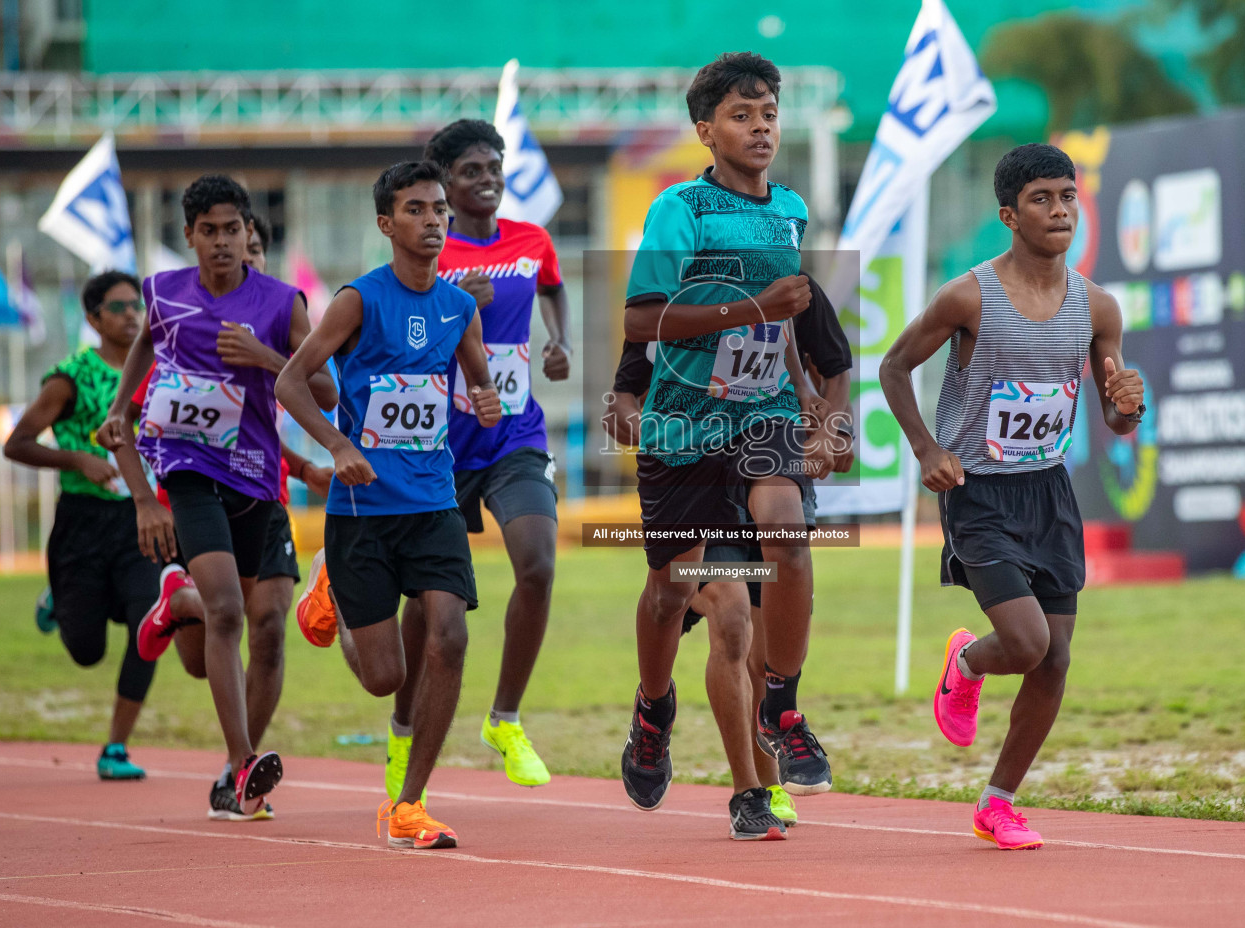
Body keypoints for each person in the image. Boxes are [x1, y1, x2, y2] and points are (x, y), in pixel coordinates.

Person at [879, 143, 1145, 851]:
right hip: (979, 492)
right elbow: (895, 366)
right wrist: (927, 450)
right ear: (1009, 214)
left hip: (1048, 492)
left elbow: (1114, 417)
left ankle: (997, 803)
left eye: (1067, 196)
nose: (1059, 210)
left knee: (1055, 657)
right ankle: (966, 663)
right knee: (1025, 644)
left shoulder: (1098, 306)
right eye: (1041, 199)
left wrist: (1126, 405)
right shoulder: (969, 295)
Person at [620, 52, 834, 831]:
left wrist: (809, 398)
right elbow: (641, 322)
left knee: (771, 557)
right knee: (673, 593)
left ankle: (777, 716)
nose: (761, 128)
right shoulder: (682, 208)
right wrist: (751, 307)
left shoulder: (792, 210)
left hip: (762, 413)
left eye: (770, 115)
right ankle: (653, 710)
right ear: (706, 130)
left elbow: (787, 326)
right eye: (742, 117)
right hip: (681, 428)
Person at [279, 160, 501, 849]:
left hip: (433, 501)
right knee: (384, 679)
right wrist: (340, 445)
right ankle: (333, 589)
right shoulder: (358, 301)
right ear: (387, 224)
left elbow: (479, 385)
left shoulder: (459, 307)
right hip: (363, 508)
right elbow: (291, 381)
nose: (434, 220)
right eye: (416, 210)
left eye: (440, 210)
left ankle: (410, 804)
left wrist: (487, 402)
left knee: (451, 636)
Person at [99, 175, 332, 820]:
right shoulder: (164, 292)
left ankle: (179, 603)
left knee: (248, 629)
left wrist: (265, 357)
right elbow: (146, 339)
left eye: (233, 230)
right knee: (232, 613)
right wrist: (122, 409)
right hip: (187, 468)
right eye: (210, 231)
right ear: (190, 236)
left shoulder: (283, 303)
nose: (222, 242)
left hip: (256, 481)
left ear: (249, 234)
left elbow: (329, 392)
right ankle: (241, 764)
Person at [604, 273, 853, 833]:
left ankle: (777, 727)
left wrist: (833, 430)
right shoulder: (673, 304)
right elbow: (621, 400)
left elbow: (835, 367)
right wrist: (648, 431)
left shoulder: (792, 283)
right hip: (699, 475)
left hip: (770, 464)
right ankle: (745, 787)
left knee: (765, 646)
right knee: (729, 616)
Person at [385, 118, 569, 792]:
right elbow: (399, 346)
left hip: (513, 435)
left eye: (493, 168)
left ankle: (506, 717)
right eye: (471, 172)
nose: (487, 180)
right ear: (444, 186)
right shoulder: (430, 257)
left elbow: (551, 285)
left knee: (539, 565)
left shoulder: (531, 240)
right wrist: (455, 308)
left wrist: (561, 342)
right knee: (430, 607)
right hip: (438, 449)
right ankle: (404, 728)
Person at [3, 272, 162, 780]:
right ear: (93, 318)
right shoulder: (70, 376)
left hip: (141, 519)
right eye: (117, 307)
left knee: (149, 626)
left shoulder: (158, 370)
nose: (132, 313)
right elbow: (17, 443)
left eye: (136, 304)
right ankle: (58, 599)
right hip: (82, 524)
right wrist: (79, 461)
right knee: (87, 651)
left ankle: (115, 746)